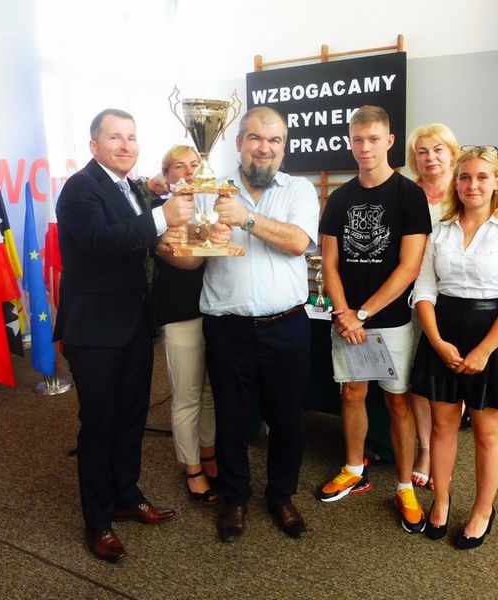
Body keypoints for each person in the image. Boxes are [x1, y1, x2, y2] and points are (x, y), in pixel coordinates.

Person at [161, 107, 319, 543]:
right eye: (255, 139)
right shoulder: (209, 189)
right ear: (239, 143)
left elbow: (298, 242)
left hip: (286, 326)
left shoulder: (299, 190)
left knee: (287, 420)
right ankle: (235, 499)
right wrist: (168, 247)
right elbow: (192, 260)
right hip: (227, 328)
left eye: (274, 141)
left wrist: (244, 218)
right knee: (232, 420)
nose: (264, 148)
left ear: (283, 147)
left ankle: (281, 496)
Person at [54, 108, 194, 562]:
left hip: (133, 324)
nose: (125, 145)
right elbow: (99, 242)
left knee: (132, 417)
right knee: (100, 425)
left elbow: (137, 238)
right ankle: (98, 522)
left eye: (131, 137)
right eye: (115, 137)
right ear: (94, 145)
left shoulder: (130, 188)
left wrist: (171, 227)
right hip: (94, 330)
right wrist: (161, 218)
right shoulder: (80, 188)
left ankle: (127, 496)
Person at [410, 145, 498, 549]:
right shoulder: (441, 228)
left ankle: (483, 510)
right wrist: (436, 341)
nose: (472, 185)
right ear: (456, 182)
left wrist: (483, 351)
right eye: (465, 177)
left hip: (493, 336)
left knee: (486, 432)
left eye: (482, 177)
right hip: (444, 332)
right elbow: (424, 291)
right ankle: (442, 499)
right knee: (443, 426)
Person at [318, 106, 431, 534]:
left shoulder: (409, 195)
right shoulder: (340, 198)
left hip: (389, 319)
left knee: (397, 401)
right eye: (357, 140)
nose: (365, 147)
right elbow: (329, 262)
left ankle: (404, 486)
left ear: (389, 141)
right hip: (348, 318)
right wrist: (345, 313)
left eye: (373, 139)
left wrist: (362, 313)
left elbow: (409, 266)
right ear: (350, 142)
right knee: (352, 393)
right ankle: (353, 468)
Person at [151, 145, 219, 505]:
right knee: (187, 395)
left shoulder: (214, 208)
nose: (190, 171)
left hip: (215, 311)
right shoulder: (160, 214)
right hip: (181, 313)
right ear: (167, 175)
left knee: (209, 393)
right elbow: (189, 262)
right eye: (180, 166)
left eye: (195, 164)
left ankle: (208, 454)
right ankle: (191, 468)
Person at [405, 123, 461, 490]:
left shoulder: (465, 191)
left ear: (452, 154)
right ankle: (425, 449)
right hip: (411, 296)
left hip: (456, 299)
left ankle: (446, 447)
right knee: (419, 377)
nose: (430, 157)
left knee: (451, 375)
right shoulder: (406, 194)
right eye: (422, 151)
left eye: (438, 149)